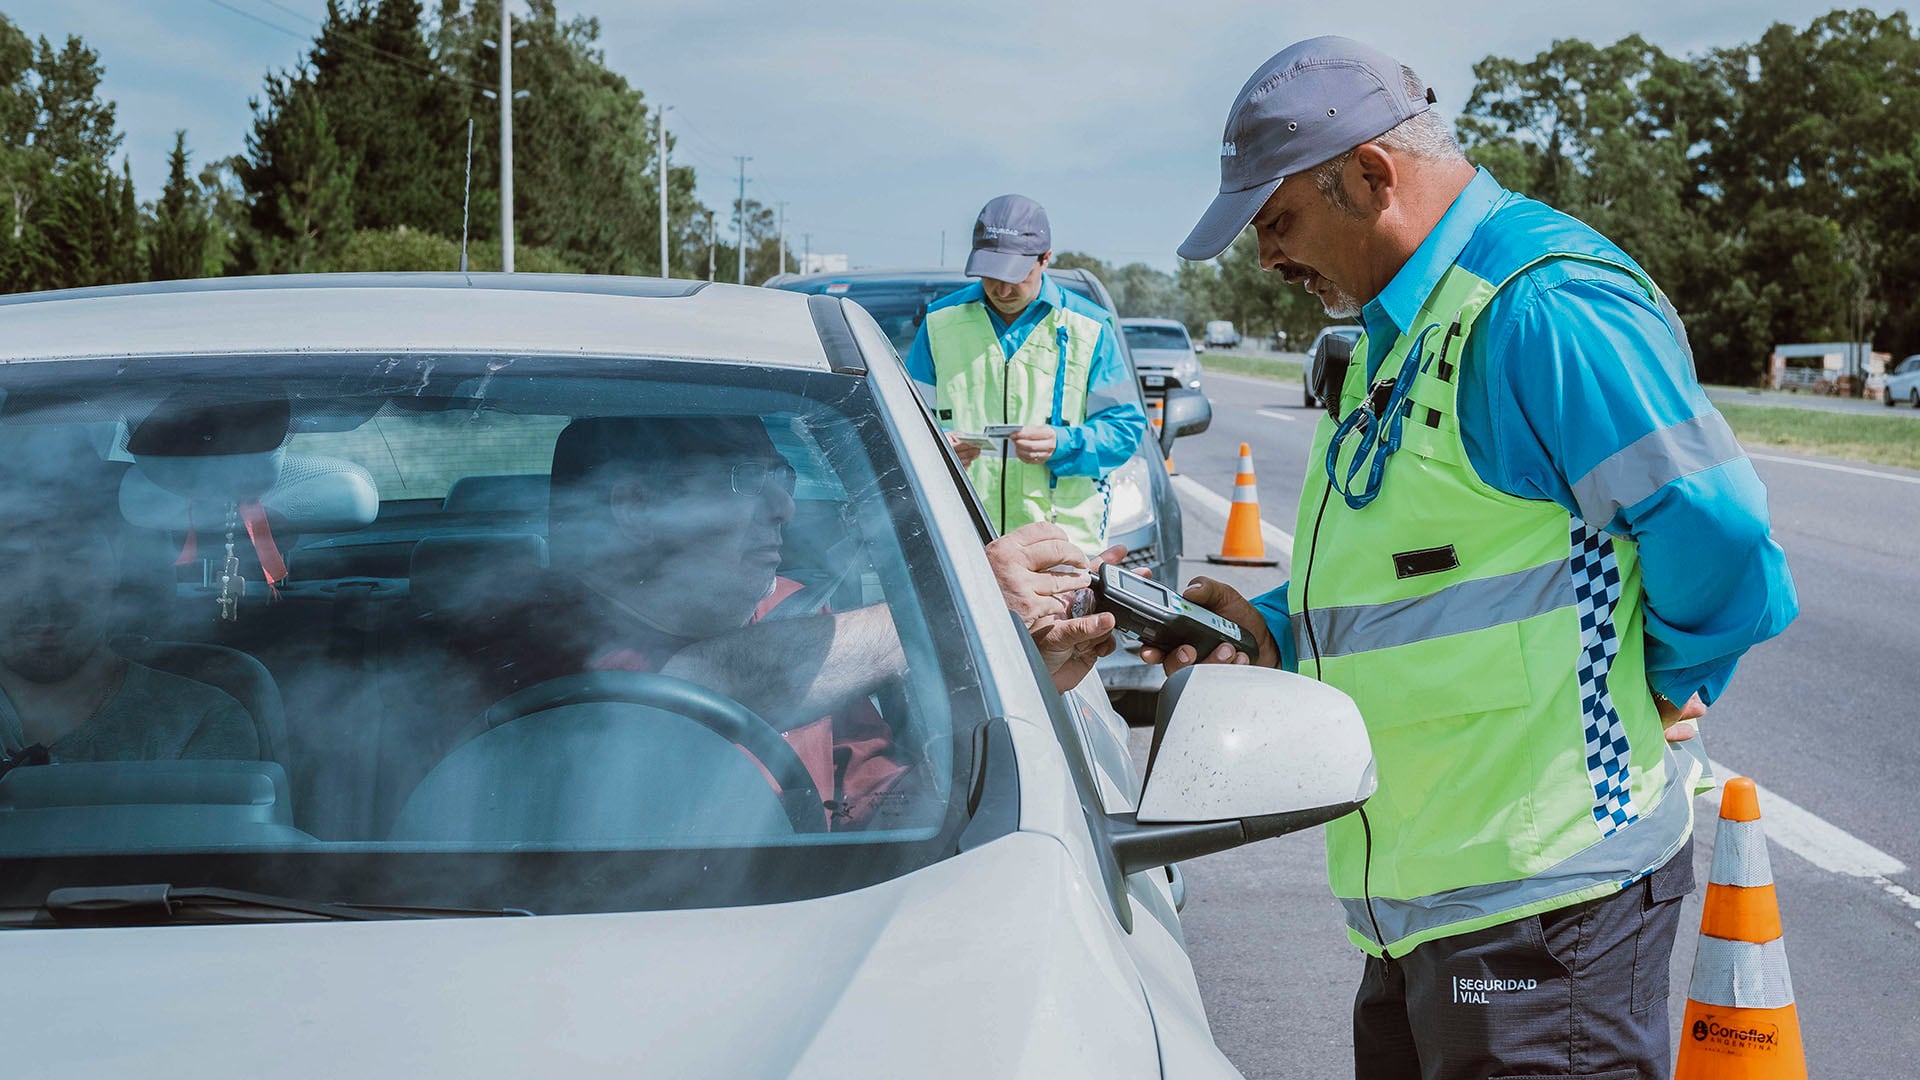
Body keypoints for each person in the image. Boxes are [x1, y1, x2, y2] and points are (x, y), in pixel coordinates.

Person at [1150, 37, 1799, 1079]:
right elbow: (1440, 577)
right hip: (1424, 905)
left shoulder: (1536, 308)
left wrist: (1664, 685)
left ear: (1369, 176)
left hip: (1549, 914)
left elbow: (1721, 533)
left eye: (1277, 222)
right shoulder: (1403, 325)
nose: (1266, 257)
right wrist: (1274, 629)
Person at [514, 416, 1119, 829]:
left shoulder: (799, 618)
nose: (784, 507)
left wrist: (996, 700)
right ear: (638, 507)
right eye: (744, 480)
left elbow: (887, 809)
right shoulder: (518, 643)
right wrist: (963, 606)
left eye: (782, 479)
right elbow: (684, 689)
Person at [904, 194, 1148, 554]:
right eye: (991, 275)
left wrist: (1063, 443)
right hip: (960, 541)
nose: (1002, 289)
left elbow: (1124, 429)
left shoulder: (1091, 327)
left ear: (1046, 258)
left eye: (1016, 276)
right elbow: (906, 422)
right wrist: (938, 444)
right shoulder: (939, 322)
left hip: (1060, 548)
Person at [0, 518, 258, 772]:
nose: (42, 598)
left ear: (116, 565)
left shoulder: (199, 721)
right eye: (7, 564)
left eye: (74, 559)